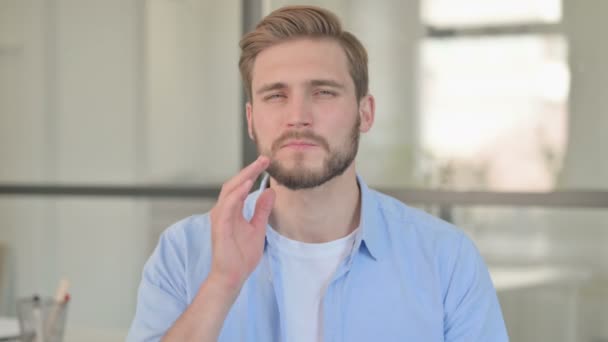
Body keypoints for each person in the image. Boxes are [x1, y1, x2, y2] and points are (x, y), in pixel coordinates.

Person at [127, 5, 508, 342]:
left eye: (323, 92)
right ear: (251, 120)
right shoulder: (183, 252)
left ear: (366, 113)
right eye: (276, 95)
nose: (297, 116)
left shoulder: (445, 259)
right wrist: (221, 284)